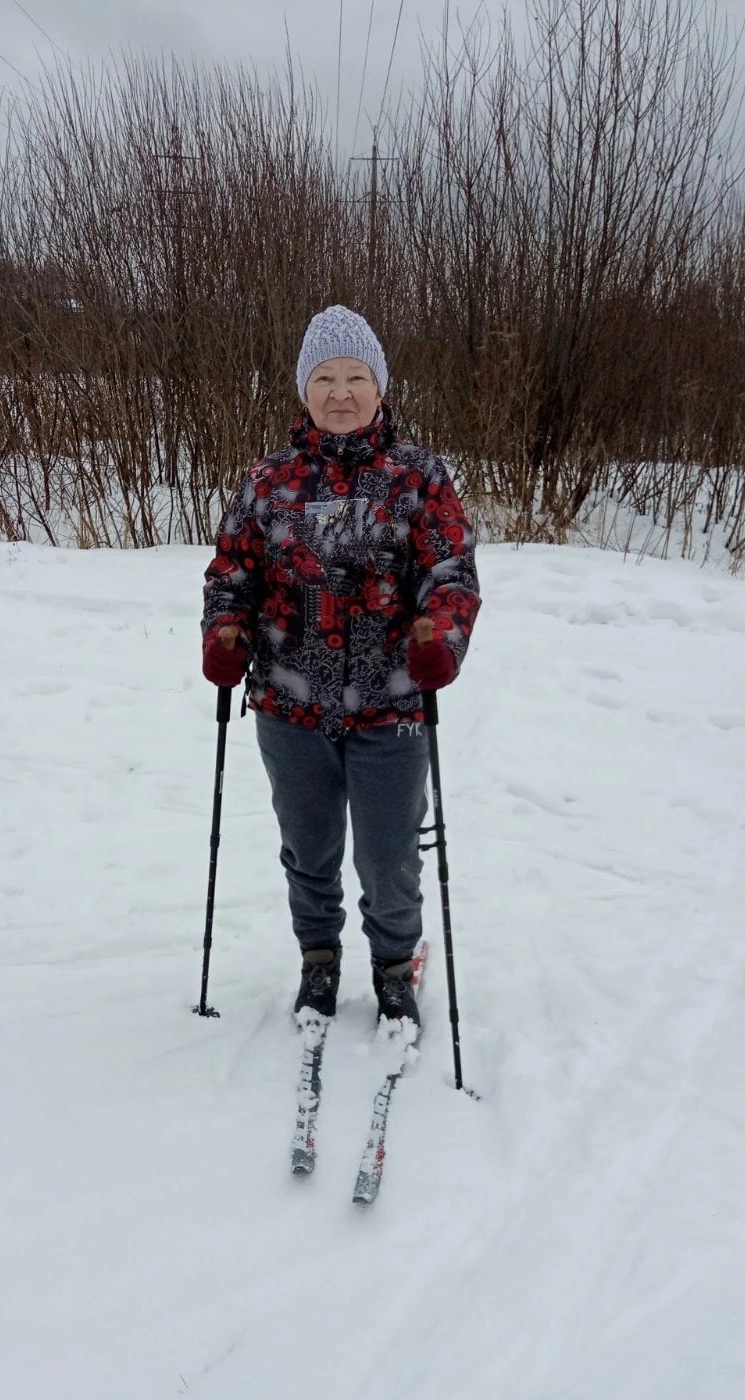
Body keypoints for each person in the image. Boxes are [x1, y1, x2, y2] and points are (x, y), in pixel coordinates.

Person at [201, 305, 480, 1029]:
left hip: (393, 705)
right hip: (289, 705)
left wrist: (441, 640)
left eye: (356, 376)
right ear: (305, 389)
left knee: (390, 859)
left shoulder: (419, 477)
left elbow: (450, 573)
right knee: (308, 851)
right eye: (325, 377)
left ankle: (394, 967)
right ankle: (318, 958)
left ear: (380, 386)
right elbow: (232, 576)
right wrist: (225, 634)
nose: (341, 393)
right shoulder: (268, 481)